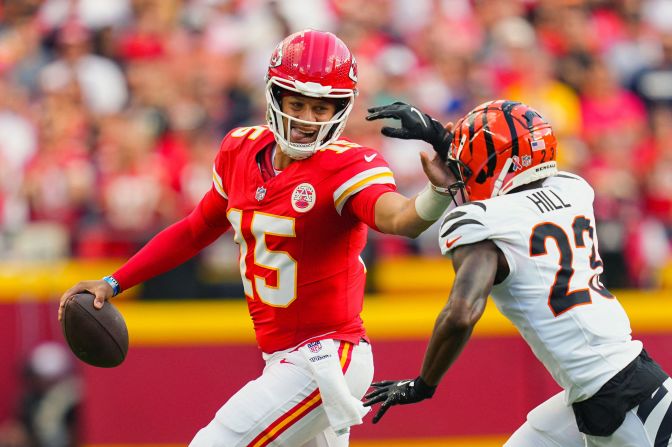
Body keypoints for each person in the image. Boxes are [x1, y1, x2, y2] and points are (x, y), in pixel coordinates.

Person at [58, 29, 455, 447]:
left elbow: (400, 219)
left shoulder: (347, 166)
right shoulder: (240, 151)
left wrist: (435, 193)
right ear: (275, 97)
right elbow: (194, 229)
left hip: (327, 356)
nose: (306, 119)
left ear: (340, 109)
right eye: (297, 103)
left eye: (321, 109)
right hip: (283, 360)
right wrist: (113, 282)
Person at [363, 99, 672, 446]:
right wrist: (439, 135)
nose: (462, 169)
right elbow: (512, 168)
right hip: (613, 381)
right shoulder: (572, 188)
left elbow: (461, 314)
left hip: (626, 402)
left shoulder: (482, 225)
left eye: (468, 162)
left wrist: (424, 384)